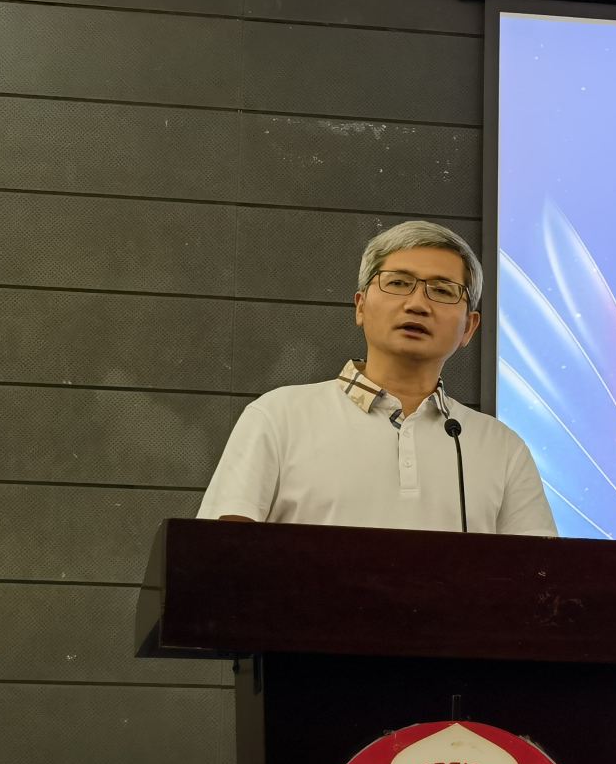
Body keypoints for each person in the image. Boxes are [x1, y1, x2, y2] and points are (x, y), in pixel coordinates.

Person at [198, 221, 556, 536]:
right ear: (360, 306)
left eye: (443, 291)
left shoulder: (503, 449)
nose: (417, 304)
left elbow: (541, 578)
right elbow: (220, 556)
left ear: (469, 328)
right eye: (398, 283)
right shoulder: (279, 416)